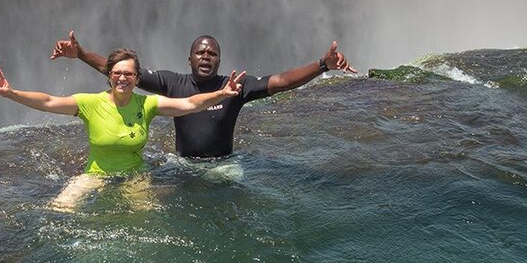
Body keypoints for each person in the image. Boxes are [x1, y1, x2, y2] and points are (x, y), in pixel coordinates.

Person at [0, 48, 246, 208]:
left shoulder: (147, 104)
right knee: (60, 210)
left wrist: (222, 94)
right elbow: (48, 101)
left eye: (129, 74)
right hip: (95, 174)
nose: (123, 78)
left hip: (134, 175)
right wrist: (11, 93)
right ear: (109, 74)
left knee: (144, 218)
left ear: (137, 78)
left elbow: (189, 103)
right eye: (117, 73)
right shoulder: (90, 103)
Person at [50, 32, 356, 159]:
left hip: (223, 167)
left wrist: (321, 65)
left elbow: (281, 81)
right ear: (190, 59)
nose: (206, 57)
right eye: (200, 52)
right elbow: (121, 73)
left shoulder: (235, 86)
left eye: (212, 53)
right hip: (182, 167)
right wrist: (80, 54)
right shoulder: (173, 84)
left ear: (219, 60)